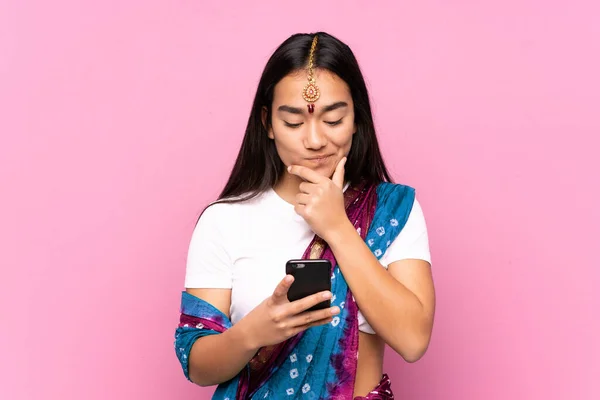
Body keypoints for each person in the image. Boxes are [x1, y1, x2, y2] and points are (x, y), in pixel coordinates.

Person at [175, 32, 435, 399]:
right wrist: (257, 331)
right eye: (294, 123)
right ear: (267, 123)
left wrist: (338, 228)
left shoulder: (391, 211)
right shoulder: (225, 221)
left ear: (356, 119)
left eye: (333, 120)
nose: (314, 140)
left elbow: (413, 340)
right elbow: (198, 365)